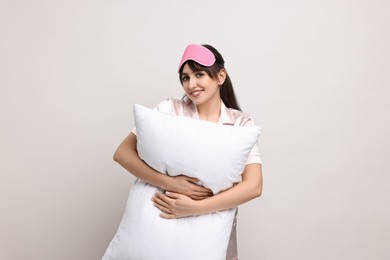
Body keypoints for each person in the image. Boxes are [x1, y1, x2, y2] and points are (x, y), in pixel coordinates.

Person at [112, 44, 263, 260]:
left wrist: (195, 208)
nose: (191, 84)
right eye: (185, 78)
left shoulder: (240, 124)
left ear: (220, 76)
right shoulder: (168, 111)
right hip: (158, 233)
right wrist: (170, 183)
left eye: (199, 74)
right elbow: (122, 153)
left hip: (211, 237)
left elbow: (254, 186)